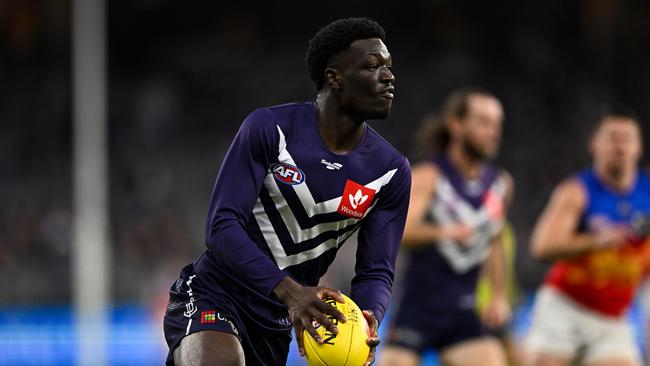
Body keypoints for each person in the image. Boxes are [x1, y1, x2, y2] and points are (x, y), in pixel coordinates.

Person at [163, 17, 411, 366]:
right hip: (215, 293)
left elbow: (375, 270)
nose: (388, 77)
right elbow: (222, 227)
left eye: (388, 67)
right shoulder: (270, 129)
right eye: (373, 66)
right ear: (334, 78)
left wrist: (368, 317)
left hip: (275, 321)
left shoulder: (390, 172)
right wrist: (292, 292)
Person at [379, 88, 513, 366]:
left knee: (495, 359)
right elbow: (399, 231)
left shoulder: (500, 184)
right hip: (417, 310)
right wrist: (444, 232)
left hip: (463, 313)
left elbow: (495, 241)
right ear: (456, 124)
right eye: (483, 122)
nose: (493, 132)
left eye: (497, 124)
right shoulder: (429, 176)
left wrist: (499, 296)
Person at [525, 108, 650, 366]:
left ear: (639, 147)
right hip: (565, 308)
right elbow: (541, 247)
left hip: (612, 318)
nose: (620, 145)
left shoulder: (647, 192)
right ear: (594, 145)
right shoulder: (577, 191)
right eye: (612, 138)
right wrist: (594, 241)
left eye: (627, 138)